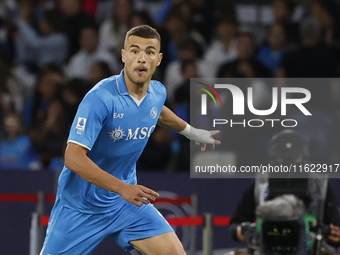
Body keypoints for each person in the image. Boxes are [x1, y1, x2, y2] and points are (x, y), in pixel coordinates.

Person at [40, 25, 220, 255]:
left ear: (159, 59)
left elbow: (158, 111)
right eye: (134, 51)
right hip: (80, 208)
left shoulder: (157, 92)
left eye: (149, 52)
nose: (141, 58)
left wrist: (192, 132)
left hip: (124, 205)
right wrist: (122, 188)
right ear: (124, 56)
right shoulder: (100, 98)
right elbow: (72, 157)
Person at [229, 129, 340, 253]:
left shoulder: (320, 184)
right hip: (265, 248)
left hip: (311, 249)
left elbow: (335, 227)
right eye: (283, 158)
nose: (289, 163)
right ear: (274, 157)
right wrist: (241, 231)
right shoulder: (261, 182)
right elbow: (236, 224)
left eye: (294, 158)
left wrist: (333, 235)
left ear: (303, 156)